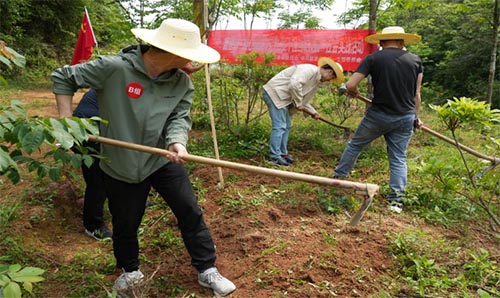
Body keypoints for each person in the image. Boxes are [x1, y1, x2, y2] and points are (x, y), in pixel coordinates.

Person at [51, 18, 236, 297]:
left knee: (189, 211)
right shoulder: (115, 69)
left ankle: (207, 269)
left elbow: (179, 116)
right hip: (120, 161)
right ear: (176, 53)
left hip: (160, 159)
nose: (195, 64)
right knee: (125, 221)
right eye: (191, 56)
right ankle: (130, 271)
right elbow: (63, 77)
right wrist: (66, 123)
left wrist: (177, 142)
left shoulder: (181, 83)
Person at [333, 26, 424, 213]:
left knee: (355, 145)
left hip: (378, 115)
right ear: (401, 41)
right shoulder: (415, 61)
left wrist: (353, 91)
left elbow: (350, 84)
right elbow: (417, 93)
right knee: (398, 158)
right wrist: (416, 117)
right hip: (405, 117)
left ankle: (338, 182)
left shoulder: (373, 58)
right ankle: (396, 202)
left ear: (381, 42)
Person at [262, 57, 344, 166]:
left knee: (287, 125)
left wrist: (313, 112)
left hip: (282, 98)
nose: (329, 80)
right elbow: (294, 84)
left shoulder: (315, 82)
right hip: (275, 93)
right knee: (280, 126)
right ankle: (275, 157)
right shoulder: (309, 70)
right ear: (329, 72)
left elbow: (304, 101)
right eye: (331, 77)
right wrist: (298, 102)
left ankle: (282, 154)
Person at [72, 89, 112, 241]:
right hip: (86, 135)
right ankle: (93, 226)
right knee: (98, 180)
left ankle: (130, 202)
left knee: (120, 169)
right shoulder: (112, 87)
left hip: (99, 132)